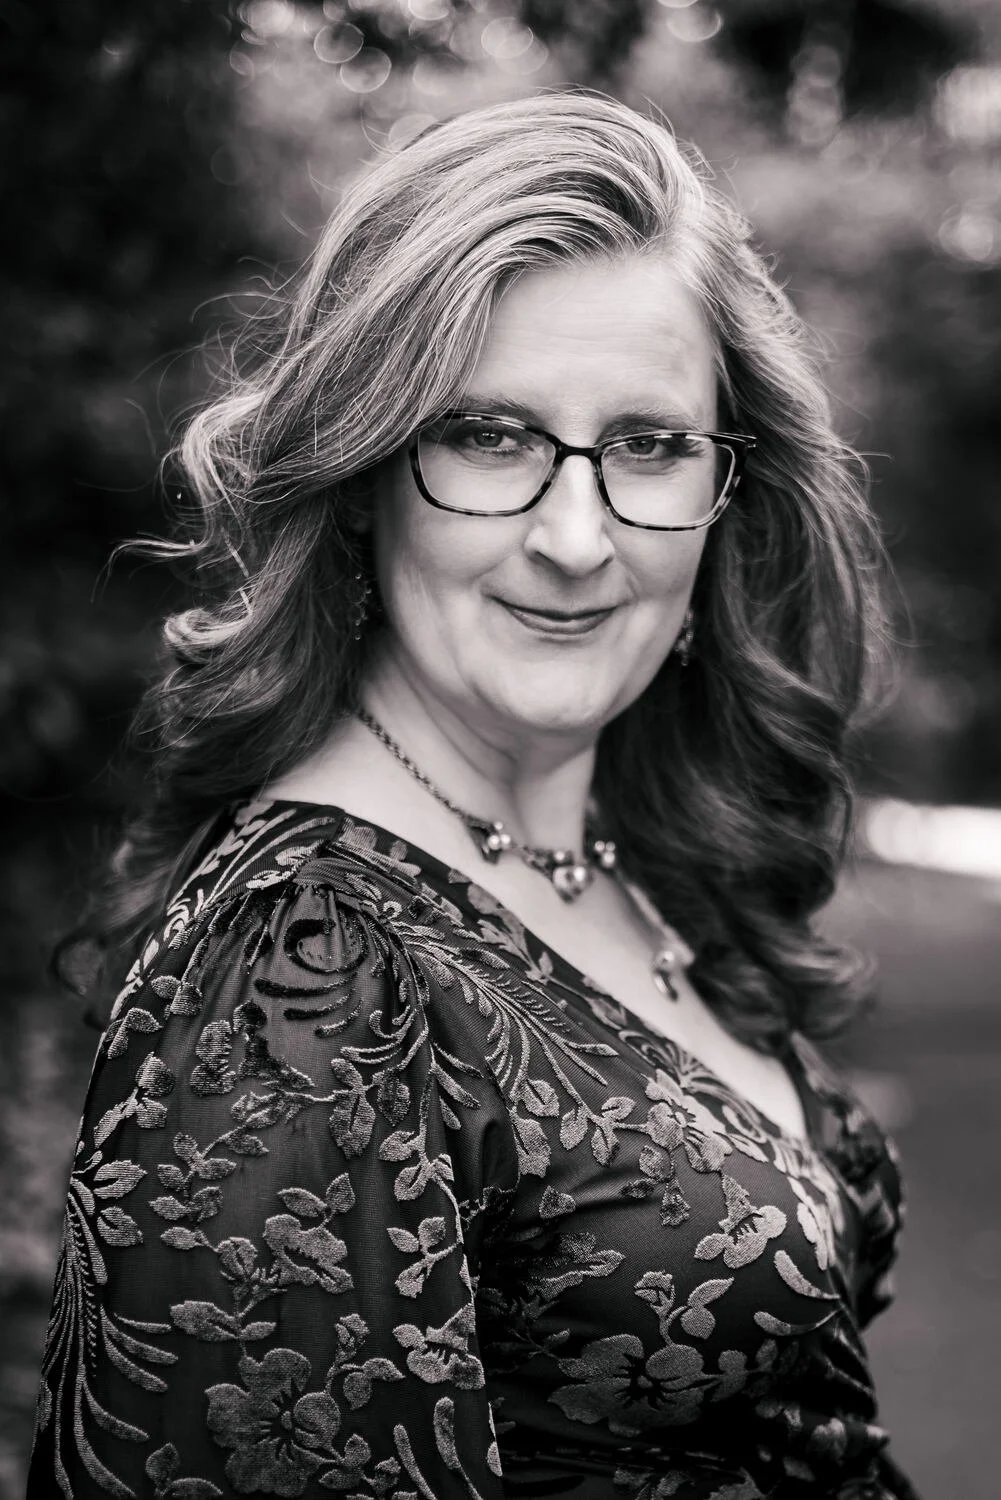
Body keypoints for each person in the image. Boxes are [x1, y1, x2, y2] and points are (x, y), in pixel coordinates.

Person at [28, 92, 917, 1499]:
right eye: (490, 436)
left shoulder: (639, 855)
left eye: (648, 445)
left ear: (727, 491)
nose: (576, 536)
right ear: (367, 471)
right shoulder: (306, 969)